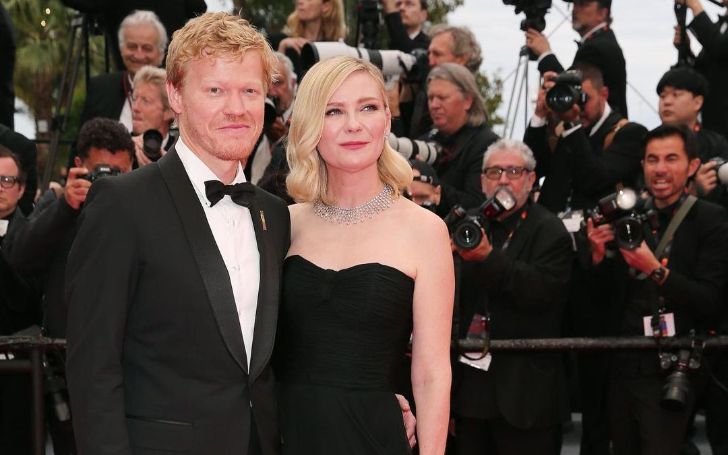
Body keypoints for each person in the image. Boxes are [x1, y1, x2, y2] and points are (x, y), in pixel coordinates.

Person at [65, 13, 290, 455]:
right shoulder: (122, 205)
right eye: (215, 90)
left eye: (249, 91)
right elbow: (93, 368)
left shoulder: (275, 215)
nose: (236, 108)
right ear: (176, 95)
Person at [277, 56, 453, 454]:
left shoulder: (425, 230)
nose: (353, 125)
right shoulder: (283, 224)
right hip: (284, 435)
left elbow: (431, 372)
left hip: (374, 437)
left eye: (368, 107)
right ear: (310, 125)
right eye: (334, 111)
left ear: (387, 120)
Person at [587, 124, 728, 455]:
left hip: (675, 366)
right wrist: (597, 257)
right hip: (623, 363)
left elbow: (711, 301)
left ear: (692, 166)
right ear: (642, 165)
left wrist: (655, 269)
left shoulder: (712, 220)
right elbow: (600, 302)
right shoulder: (626, 217)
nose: (660, 169)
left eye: (671, 159)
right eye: (652, 160)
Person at [452, 139, 572, 455]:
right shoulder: (468, 226)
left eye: (513, 172)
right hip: (470, 390)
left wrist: (488, 258)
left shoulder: (550, 229)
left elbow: (542, 293)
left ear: (530, 180)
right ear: (482, 181)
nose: (503, 180)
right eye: (494, 172)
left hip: (527, 394)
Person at [524, 63, 646, 214]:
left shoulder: (630, 133)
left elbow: (595, 179)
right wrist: (540, 115)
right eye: (570, 97)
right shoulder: (563, 131)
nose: (577, 107)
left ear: (604, 94)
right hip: (551, 224)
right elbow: (531, 168)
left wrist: (572, 124)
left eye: (582, 98)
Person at [408, 63, 499, 218]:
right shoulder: (424, 141)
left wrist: (429, 180)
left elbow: (477, 204)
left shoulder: (487, 145)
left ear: (468, 100)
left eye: (442, 98)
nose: (434, 105)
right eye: (431, 98)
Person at [0, 146, 40, 455]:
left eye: (7, 180)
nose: (0, 188)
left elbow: (27, 303)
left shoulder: (35, 234)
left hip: (18, 370)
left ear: (22, 188)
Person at [526, 0, 628, 117]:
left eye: (583, 4)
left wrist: (545, 54)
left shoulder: (597, 47)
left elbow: (570, 93)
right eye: (574, 4)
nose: (575, 10)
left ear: (602, 13)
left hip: (603, 127)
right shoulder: (602, 41)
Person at [79, 10, 168, 133]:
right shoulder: (100, 89)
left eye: (147, 48)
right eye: (132, 46)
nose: (139, 55)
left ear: (161, 54)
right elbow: (82, 141)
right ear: (121, 49)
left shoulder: (175, 93)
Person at [674, 0, 728, 139]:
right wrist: (686, 48)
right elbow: (701, 72)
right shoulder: (720, 27)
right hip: (712, 124)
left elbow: (720, 49)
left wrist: (695, 6)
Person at [130, 65, 175, 166]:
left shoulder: (183, 153)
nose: (135, 108)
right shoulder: (120, 148)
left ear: (168, 111)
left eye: (145, 101)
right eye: (134, 99)